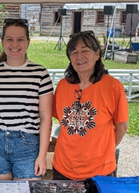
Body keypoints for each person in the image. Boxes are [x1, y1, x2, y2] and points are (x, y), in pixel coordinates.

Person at [0, 18, 53, 180]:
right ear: (2, 41)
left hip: (27, 146)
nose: (15, 44)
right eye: (9, 39)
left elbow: (46, 117)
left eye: (20, 39)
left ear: (28, 42)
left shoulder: (40, 73)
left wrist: (42, 155)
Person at [52, 30, 128, 181]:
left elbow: (122, 127)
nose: (79, 56)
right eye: (74, 52)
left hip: (100, 170)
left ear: (97, 54)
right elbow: (59, 119)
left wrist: (105, 150)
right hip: (64, 168)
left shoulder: (112, 86)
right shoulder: (62, 86)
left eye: (85, 51)